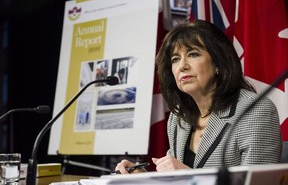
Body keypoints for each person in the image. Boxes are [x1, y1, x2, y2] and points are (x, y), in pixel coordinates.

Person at [114, 19, 282, 174]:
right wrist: (141, 178)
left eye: (193, 54)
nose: (182, 66)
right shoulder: (179, 117)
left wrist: (189, 177)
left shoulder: (255, 111)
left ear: (218, 63)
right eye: (175, 59)